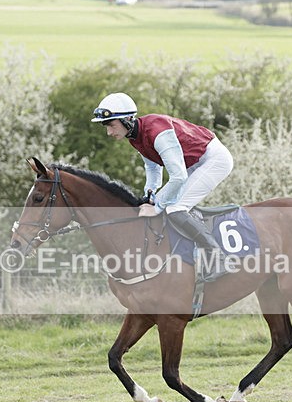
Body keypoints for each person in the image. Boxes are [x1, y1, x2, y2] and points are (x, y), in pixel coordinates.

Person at [91, 92, 234, 281]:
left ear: (126, 120)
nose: (109, 132)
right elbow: (152, 167)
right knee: (174, 205)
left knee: (175, 207)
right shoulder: (135, 136)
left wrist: (157, 205)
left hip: (213, 160)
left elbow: (178, 176)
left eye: (111, 125)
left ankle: (219, 258)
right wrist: (150, 194)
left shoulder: (157, 132)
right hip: (194, 163)